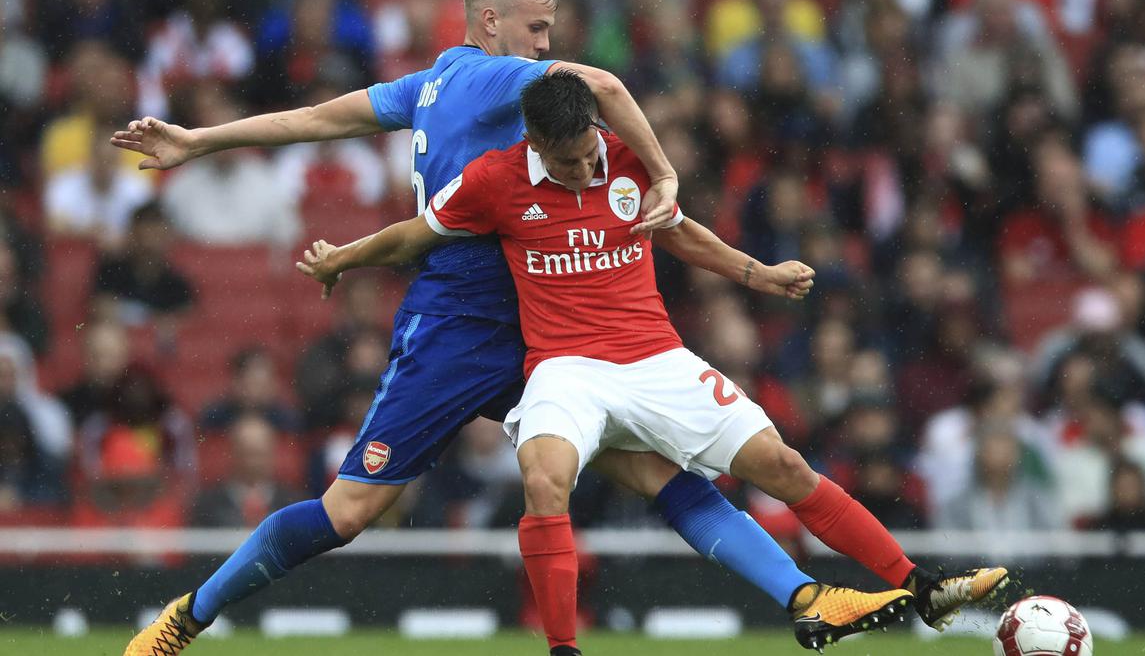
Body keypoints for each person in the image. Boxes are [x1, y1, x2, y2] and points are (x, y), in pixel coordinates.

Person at [116, 0, 866, 656]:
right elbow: (602, 86)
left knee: (661, 476)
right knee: (347, 512)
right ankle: (189, 615)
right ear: (489, 24)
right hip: (455, 327)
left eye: (549, 34)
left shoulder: (423, 87)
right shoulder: (488, 80)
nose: (544, 49)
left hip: (545, 332)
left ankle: (802, 597)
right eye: (536, 31)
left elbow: (311, 119)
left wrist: (200, 139)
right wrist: (666, 173)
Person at [298, 70, 1009, 654]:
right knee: (544, 480)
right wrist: (343, 258)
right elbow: (411, 236)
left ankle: (922, 587)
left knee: (783, 467)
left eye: (588, 154)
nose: (583, 169)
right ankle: (563, 649)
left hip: (655, 357)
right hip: (565, 367)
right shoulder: (494, 178)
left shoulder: (628, 156)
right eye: (566, 160)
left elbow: (677, 231)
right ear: (534, 142)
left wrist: (754, 273)